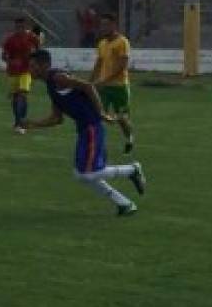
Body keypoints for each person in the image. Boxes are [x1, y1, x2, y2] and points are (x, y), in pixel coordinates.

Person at [23, 49, 146, 217]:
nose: (30, 69)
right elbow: (57, 118)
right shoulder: (51, 87)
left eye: (33, 66)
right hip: (84, 130)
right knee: (81, 175)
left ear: (44, 65)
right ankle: (125, 204)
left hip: (92, 127)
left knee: (89, 174)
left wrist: (101, 112)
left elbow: (88, 86)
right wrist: (33, 124)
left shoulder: (58, 78)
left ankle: (132, 170)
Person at [92, 13, 136, 154]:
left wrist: (105, 80)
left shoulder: (122, 42)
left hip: (119, 86)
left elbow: (122, 65)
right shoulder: (102, 44)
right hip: (103, 88)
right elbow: (98, 64)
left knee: (122, 118)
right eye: (102, 25)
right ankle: (98, 145)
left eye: (106, 25)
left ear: (113, 25)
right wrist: (88, 82)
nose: (103, 28)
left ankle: (129, 138)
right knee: (97, 115)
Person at [1, 17, 40, 133]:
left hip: (26, 71)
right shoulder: (10, 40)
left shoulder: (32, 37)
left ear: (26, 26)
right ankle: (18, 121)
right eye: (18, 27)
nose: (20, 29)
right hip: (13, 72)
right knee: (16, 97)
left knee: (22, 95)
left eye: (22, 27)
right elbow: (3, 56)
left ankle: (20, 123)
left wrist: (35, 63)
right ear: (15, 27)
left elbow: (38, 51)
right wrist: (10, 61)